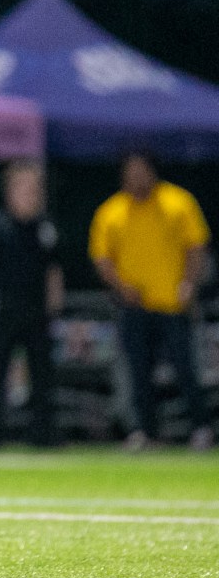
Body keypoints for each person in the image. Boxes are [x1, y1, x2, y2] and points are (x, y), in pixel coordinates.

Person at [89, 151, 214, 451]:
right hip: (134, 305)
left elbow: (196, 247)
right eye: (130, 172)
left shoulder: (178, 202)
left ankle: (200, 428)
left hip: (173, 304)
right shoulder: (112, 211)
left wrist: (189, 284)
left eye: (141, 171)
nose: (136, 178)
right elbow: (102, 258)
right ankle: (145, 431)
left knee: (187, 369)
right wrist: (121, 287)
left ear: (152, 171)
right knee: (138, 372)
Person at [0, 160, 64, 448]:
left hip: (36, 311)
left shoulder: (44, 228)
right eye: (26, 188)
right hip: (2, 310)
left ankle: (42, 434)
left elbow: (53, 268)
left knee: (42, 375)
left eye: (36, 189)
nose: (33, 195)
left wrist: (55, 303)